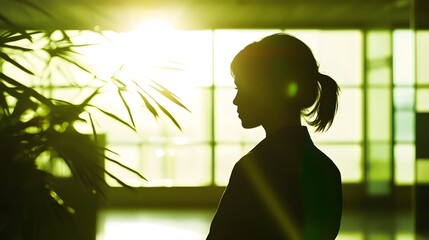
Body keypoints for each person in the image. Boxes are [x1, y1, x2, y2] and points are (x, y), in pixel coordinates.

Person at [206, 33, 343, 240]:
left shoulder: (254, 171)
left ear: (268, 91)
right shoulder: (327, 169)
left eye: (242, 88)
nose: (235, 100)